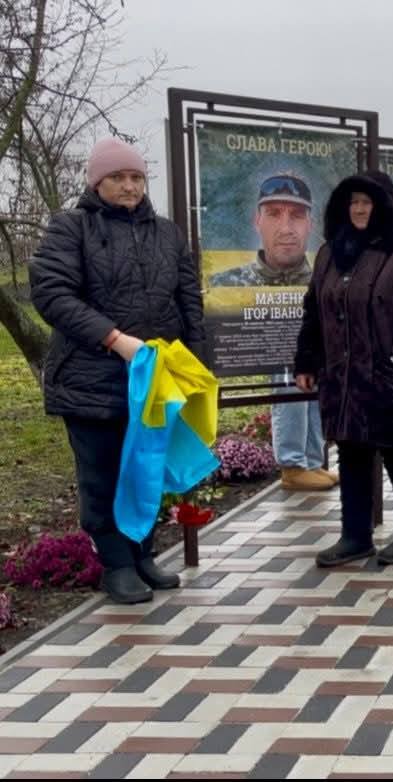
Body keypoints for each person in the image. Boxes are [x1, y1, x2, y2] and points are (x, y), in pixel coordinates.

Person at [29, 137, 204, 604]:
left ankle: (142, 554)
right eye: (117, 177)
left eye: (136, 177)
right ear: (96, 182)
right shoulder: (71, 228)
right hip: (91, 380)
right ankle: (116, 565)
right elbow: (52, 294)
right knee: (103, 476)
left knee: (146, 469)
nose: (129, 186)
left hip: (154, 382)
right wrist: (114, 339)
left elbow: (189, 300)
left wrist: (196, 368)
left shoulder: (167, 233)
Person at [294, 171, 393, 568]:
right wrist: (307, 360)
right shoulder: (330, 254)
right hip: (345, 378)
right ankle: (355, 536)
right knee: (352, 452)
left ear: (385, 207)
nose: (360, 209)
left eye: (367, 202)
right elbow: (314, 310)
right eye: (353, 202)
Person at [211, 173, 334, 491]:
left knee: (314, 391)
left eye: (297, 215)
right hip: (274, 343)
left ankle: (312, 461)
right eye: (274, 213)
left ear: (310, 224)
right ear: (257, 221)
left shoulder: (322, 277)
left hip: (309, 343)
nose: (286, 227)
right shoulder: (226, 282)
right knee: (288, 389)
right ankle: (293, 465)